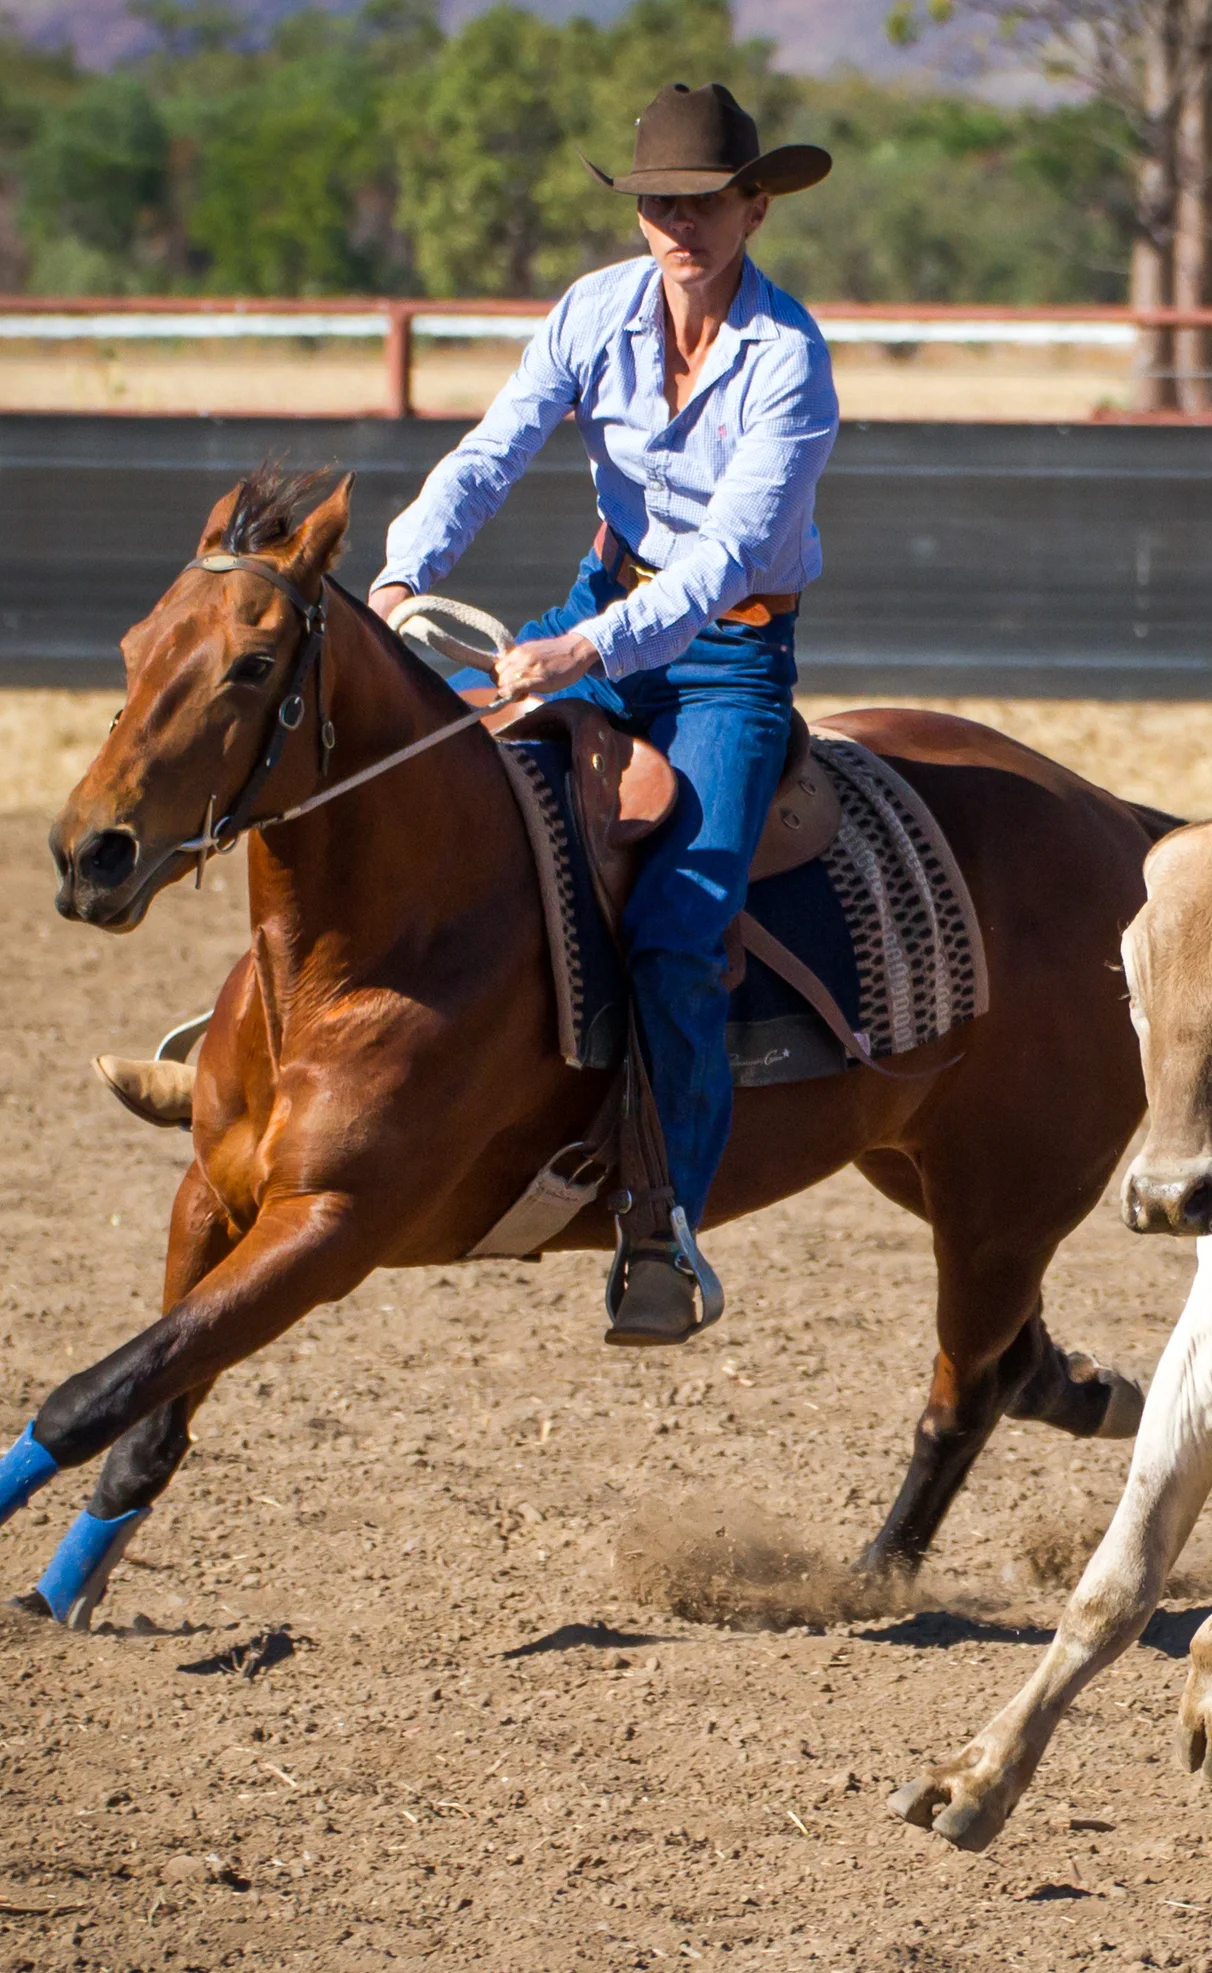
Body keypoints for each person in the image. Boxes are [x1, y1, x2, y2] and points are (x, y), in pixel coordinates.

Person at [369, 82, 836, 1348]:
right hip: (598, 607)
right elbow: (490, 449)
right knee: (419, 791)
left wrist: (577, 647)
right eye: (656, 204)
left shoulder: (787, 362)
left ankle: (666, 1217)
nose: (678, 225)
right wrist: (408, 569)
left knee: (681, 927)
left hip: (728, 657)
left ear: (754, 204)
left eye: (702, 201)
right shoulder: (591, 312)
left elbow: (729, 557)